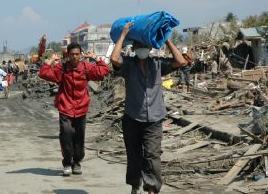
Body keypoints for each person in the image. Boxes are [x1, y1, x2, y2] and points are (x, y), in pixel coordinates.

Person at [110, 22, 187, 194]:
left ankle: (152, 188)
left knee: (153, 155)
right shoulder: (129, 64)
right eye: (138, 46)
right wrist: (123, 35)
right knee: (134, 154)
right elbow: (114, 59)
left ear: (150, 47)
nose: (142, 49)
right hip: (132, 118)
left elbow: (181, 61)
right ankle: (135, 185)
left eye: (145, 45)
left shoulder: (159, 64)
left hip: (154, 118)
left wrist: (166, 40)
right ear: (134, 47)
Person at [39, 43, 110, 176]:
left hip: (81, 108)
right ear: (68, 55)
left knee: (79, 137)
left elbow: (103, 71)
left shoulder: (86, 67)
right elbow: (44, 73)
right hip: (65, 107)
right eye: (72, 54)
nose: (75, 57)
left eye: (77, 54)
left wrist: (96, 58)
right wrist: (51, 60)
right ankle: (67, 163)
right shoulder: (62, 68)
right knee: (66, 135)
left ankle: (76, 162)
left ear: (81, 54)